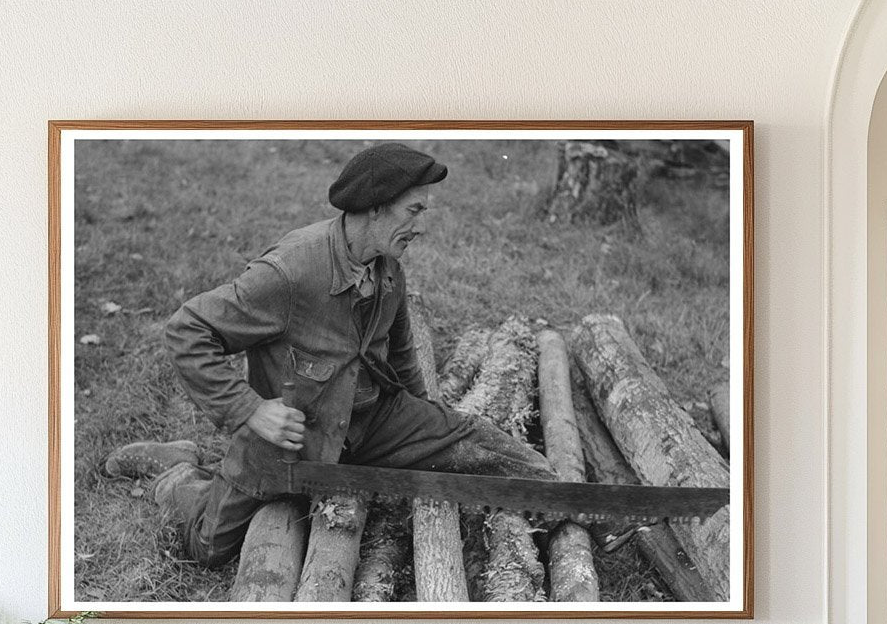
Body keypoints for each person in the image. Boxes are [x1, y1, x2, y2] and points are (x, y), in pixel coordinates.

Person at [108, 142, 555, 569]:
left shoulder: (388, 269)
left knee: (469, 439)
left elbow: (399, 356)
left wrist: (427, 421)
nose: (422, 227)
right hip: (292, 440)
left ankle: (567, 501)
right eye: (414, 211)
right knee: (208, 548)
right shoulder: (289, 273)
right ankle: (177, 473)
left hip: (371, 421)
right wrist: (250, 410)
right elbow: (188, 329)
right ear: (376, 207)